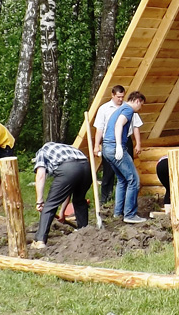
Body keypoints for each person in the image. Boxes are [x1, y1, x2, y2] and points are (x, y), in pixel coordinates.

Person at [29, 142, 92, 249]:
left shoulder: (42, 151)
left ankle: (40, 241)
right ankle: (84, 234)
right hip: (86, 167)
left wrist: (39, 201)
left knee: (50, 205)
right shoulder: (67, 149)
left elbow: (40, 175)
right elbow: (67, 188)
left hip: (68, 169)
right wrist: (62, 212)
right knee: (79, 201)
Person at [101, 91, 147, 224]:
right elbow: (118, 125)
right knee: (134, 180)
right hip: (115, 147)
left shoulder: (121, 108)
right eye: (141, 105)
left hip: (107, 148)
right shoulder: (128, 110)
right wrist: (119, 146)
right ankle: (130, 214)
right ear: (137, 101)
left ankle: (118, 213)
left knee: (122, 180)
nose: (140, 108)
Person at [93, 85, 142, 204]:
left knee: (126, 175)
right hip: (111, 143)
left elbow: (136, 126)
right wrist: (96, 145)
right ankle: (105, 199)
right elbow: (100, 128)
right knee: (110, 173)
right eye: (118, 97)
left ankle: (123, 202)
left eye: (122, 97)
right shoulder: (104, 109)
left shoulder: (128, 107)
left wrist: (138, 143)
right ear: (112, 95)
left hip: (125, 141)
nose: (120, 99)